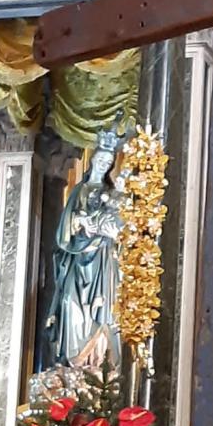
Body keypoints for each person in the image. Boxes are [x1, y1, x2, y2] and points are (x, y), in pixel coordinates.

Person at [44, 124, 128, 369]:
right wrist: (81, 224)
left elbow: (119, 227)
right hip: (77, 260)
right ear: (93, 161)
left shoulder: (114, 196)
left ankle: (101, 366)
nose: (103, 164)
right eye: (101, 159)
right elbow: (65, 231)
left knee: (105, 310)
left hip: (103, 261)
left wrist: (103, 225)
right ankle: (74, 365)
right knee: (70, 303)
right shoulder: (79, 191)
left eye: (108, 161)